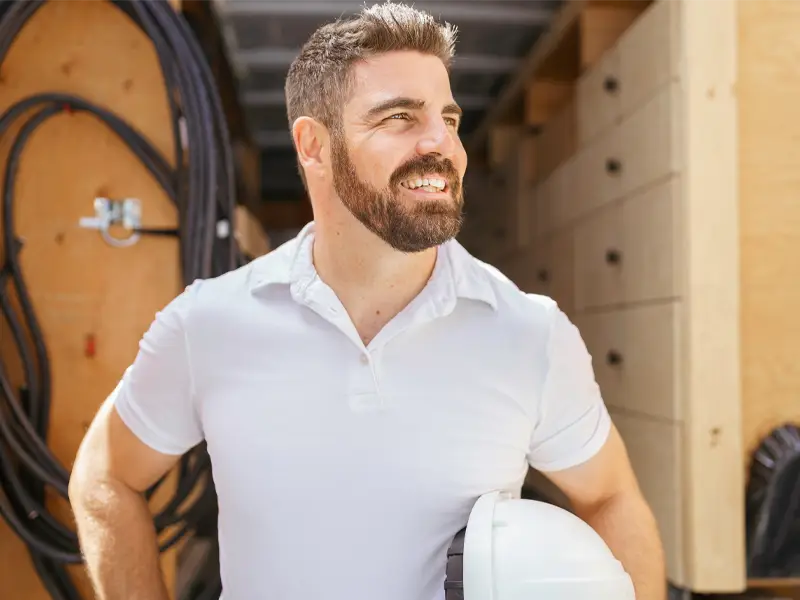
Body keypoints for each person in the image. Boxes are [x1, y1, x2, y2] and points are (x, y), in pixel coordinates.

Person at [68, 3, 666, 599]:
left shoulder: (529, 332)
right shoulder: (209, 323)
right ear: (314, 147)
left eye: (449, 119)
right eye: (400, 117)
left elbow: (611, 496)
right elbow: (106, 476)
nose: (442, 144)